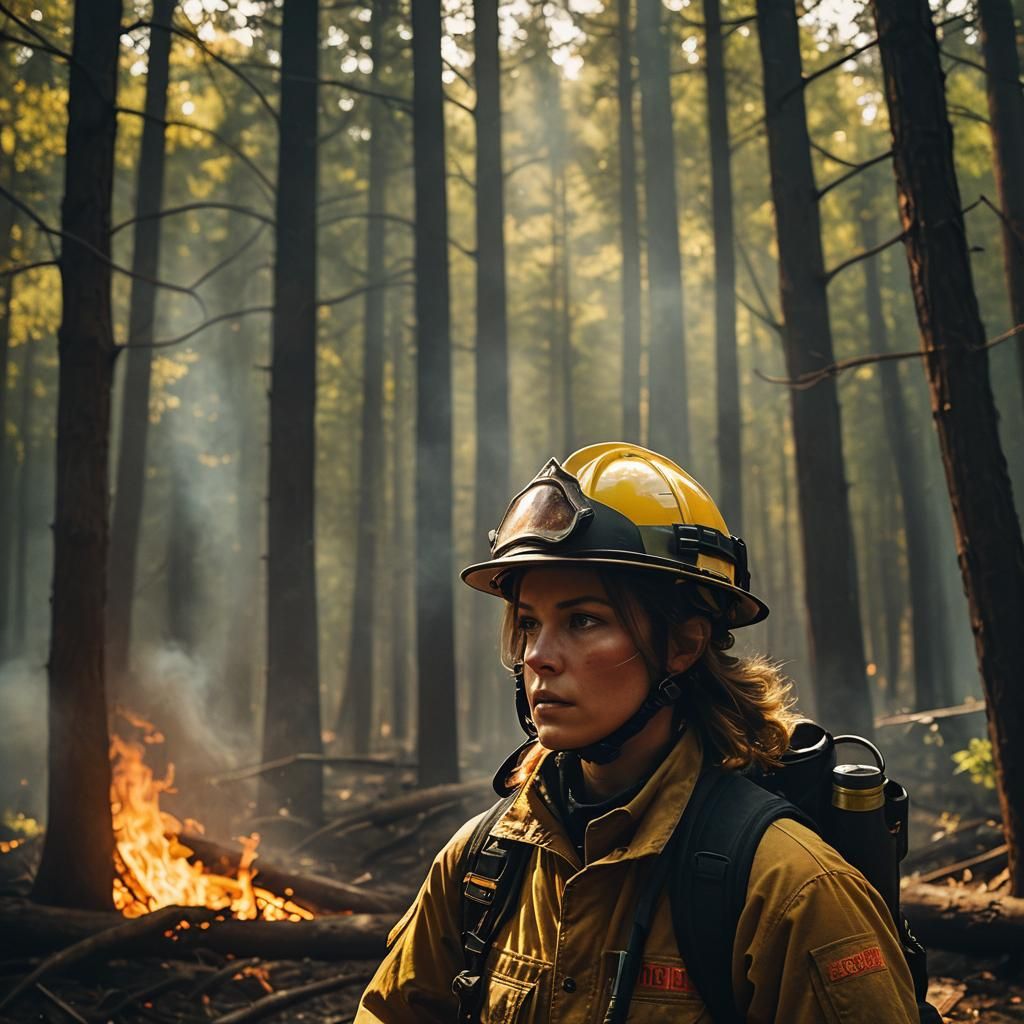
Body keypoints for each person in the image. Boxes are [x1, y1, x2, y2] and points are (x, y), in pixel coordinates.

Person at [355, 442, 919, 1023]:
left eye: (583, 621)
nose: (539, 657)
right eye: (528, 624)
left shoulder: (787, 888)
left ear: (682, 645)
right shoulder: (482, 864)